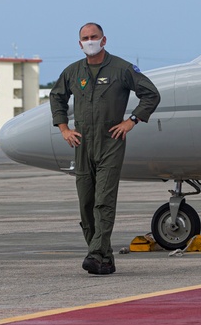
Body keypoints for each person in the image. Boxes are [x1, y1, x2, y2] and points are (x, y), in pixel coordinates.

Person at [50, 22, 161, 275]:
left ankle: (96, 252)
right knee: (86, 203)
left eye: (94, 37)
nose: (90, 41)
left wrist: (131, 121)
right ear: (80, 44)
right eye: (85, 38)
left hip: (110, 141)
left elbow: (151, 94)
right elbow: (57, 96)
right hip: (82, 144)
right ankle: (104, 259)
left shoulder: (121, 69)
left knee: (103, 201)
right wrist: (64, 128)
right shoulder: (73, 71)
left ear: (104, 40)